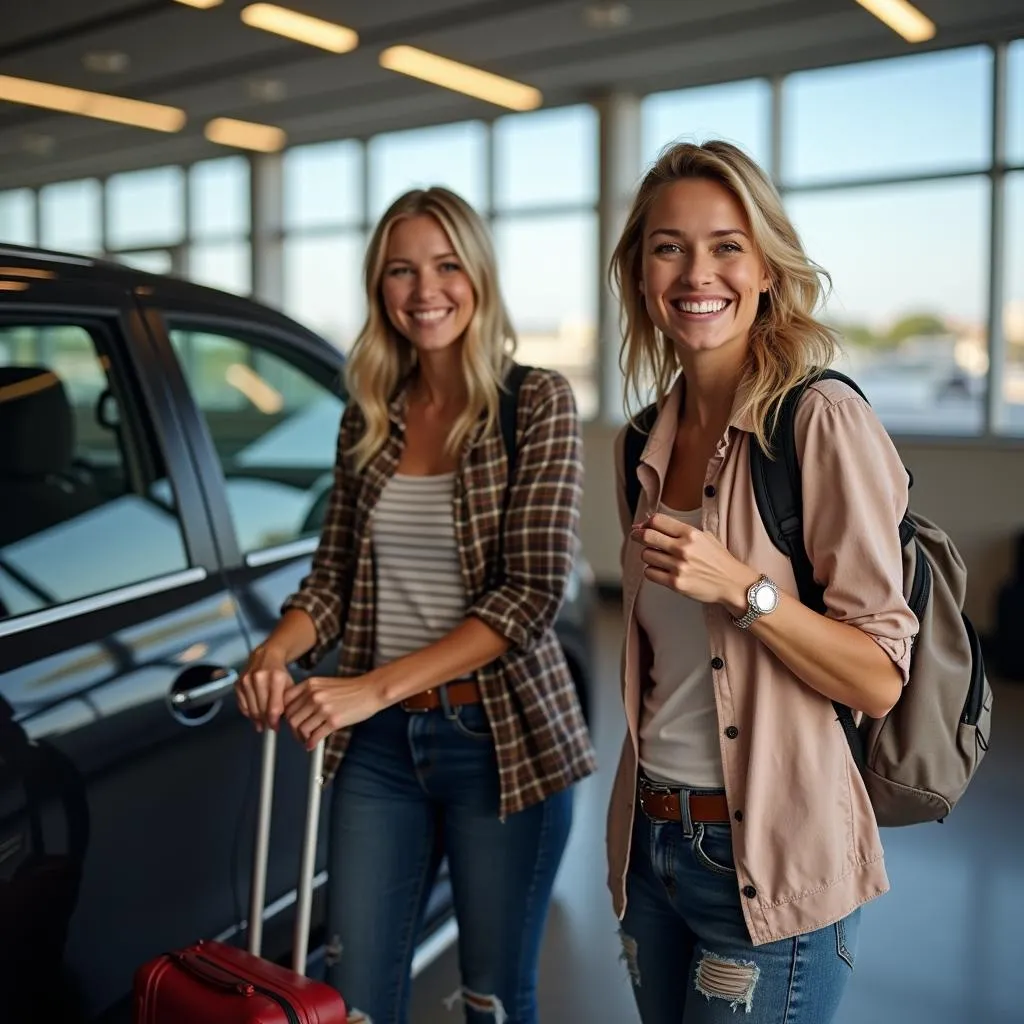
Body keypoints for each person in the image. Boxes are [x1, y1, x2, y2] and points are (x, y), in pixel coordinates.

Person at [235, 186, 594, 1024]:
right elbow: (332, 578)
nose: (424, 289)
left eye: (444, 266)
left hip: (503, 747)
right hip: (380, 751)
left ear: (478, 276)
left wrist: (370, 686)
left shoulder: (535, 403)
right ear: (379, 288)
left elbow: (531, 594)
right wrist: (275, 650)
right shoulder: (373, 415)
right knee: (352, 998)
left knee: (491, 999)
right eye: (401, 270)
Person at [605, 140, 918, 1024]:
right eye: (668, 246)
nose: (697, 271)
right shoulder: (639, 443)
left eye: (726, 244)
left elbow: (877, 674)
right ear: (639, 273)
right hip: (653, 840)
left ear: (768, 268)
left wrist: (746, 589)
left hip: (770, 856)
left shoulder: (821, 421)